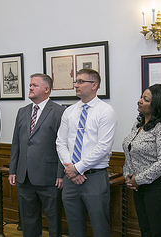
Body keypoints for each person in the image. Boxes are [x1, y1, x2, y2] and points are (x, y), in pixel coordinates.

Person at [56, 68, 117, 236]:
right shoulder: (69, 111)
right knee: (74, 228)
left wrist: (78, 168)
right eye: (75, 81)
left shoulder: (105, 111)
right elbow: (60, 142)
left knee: (100, 227)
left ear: (94, 85)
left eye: (81, 81)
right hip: (70, 178)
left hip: (94, 178)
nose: (76, 85)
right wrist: (71, 169)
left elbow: (103, 147)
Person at [8, 73, 65, 237]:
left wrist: (60, 173)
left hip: (49, 177)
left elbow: (63, 145)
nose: (30, 88)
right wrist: (13, 169)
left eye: (35, 85)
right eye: (30, 85)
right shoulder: (23, 111)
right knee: (28, 220)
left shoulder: (59, 112)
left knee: (53, 221)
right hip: (24, 176)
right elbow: (16, 142)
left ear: (46, 89)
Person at [123, 84, 161, 236]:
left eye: (146, 99)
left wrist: (138, 179)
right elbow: (130, 151)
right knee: (145, 230)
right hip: (139, 186)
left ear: (157, 105)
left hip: (159, 188)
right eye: (142, 97)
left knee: (157, 232)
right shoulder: (139, 124)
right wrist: (128, 176)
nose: (140, 101)